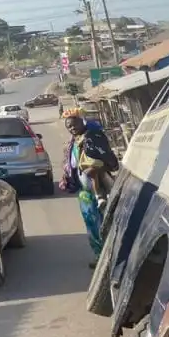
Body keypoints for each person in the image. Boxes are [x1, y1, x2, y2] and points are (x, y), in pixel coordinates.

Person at [59, 108, 119, 268]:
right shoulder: (73, 143)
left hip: (103, 190)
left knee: (108, 221)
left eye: (74, 124)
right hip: (85, 193)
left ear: (82, 121)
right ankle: (100, 257)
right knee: (92, 224)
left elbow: (106, 159)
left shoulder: (92, 138)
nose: (72, 128)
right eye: (69, 127)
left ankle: (115, 255)